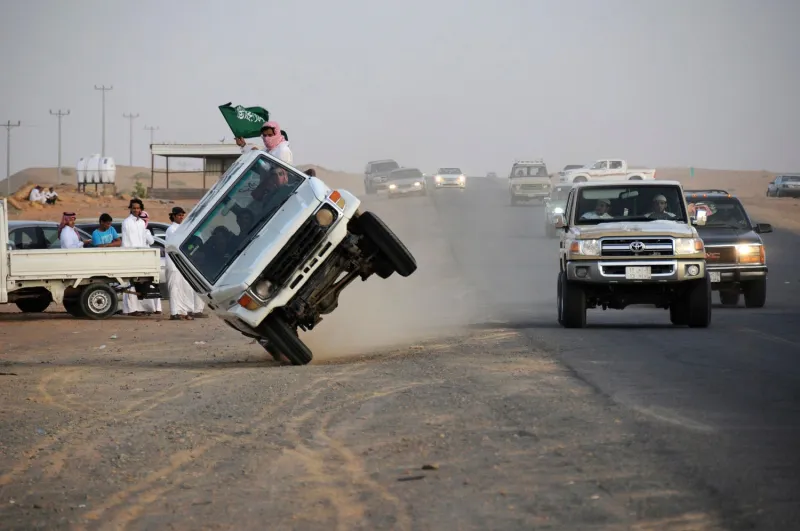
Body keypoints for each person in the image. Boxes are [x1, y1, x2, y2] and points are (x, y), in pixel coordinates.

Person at [121, 199, 156, 316]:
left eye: (138, 208)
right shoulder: (126, 222)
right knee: (129, 283)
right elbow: (126, 241)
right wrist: (128, 256)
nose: (136, 210)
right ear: (130, 208)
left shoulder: (141, 223)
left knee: (138, 283)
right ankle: (130, 309)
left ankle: (138, 308)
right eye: (134, 208)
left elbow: (142, 241)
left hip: (140, 256)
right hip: (129, 256)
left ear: (141, 209)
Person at [165, 207, 195, 321]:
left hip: (181, 262)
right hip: (173, 262)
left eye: (182, 215)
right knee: (174, 288)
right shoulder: (171, 229)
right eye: (179, 215)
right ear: (173, 216)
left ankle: (183, 311)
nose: (181, 217)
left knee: (184, 287)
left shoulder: (181, 228)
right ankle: (174, 312)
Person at [138, 211, 163, 315]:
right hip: (142, 260)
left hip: (145, 260)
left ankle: (154, 308)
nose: (143, 222)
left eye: (144, 220)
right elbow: (151, 242)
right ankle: (150, 308)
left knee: (150, 284)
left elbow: (151, 242)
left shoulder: (144, 231)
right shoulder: (142, 231)